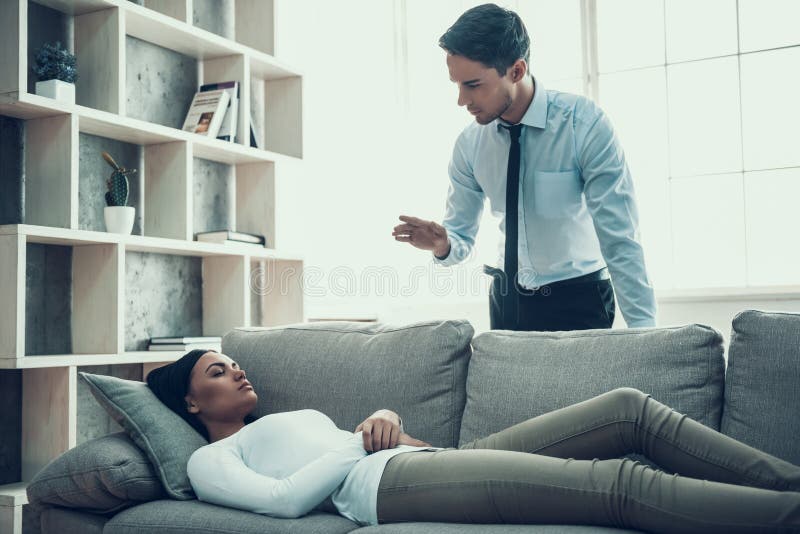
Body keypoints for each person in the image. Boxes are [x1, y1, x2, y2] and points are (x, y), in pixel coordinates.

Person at [146, 349, 800, 533]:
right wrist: (360, 441)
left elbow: (400, 443)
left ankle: (786, 481)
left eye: (233, 364)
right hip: (385, 489)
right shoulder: (211, 459)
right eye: (216, 371)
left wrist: (385, 423)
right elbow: (286, 503)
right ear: (190, 401)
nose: (236, 371)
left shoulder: (276, 425)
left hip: (426, 462)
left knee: (627, 410)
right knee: (618, 485)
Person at [392, 3, 657, 332]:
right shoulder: (469, 145)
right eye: (456, 85)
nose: (462, 100)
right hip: (507, 300)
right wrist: (444, 245)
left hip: (580, 298)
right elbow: (460, 235)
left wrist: (646, 334)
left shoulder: (583, 125)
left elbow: (620, 239)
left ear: (516, 71)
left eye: (473, 85)